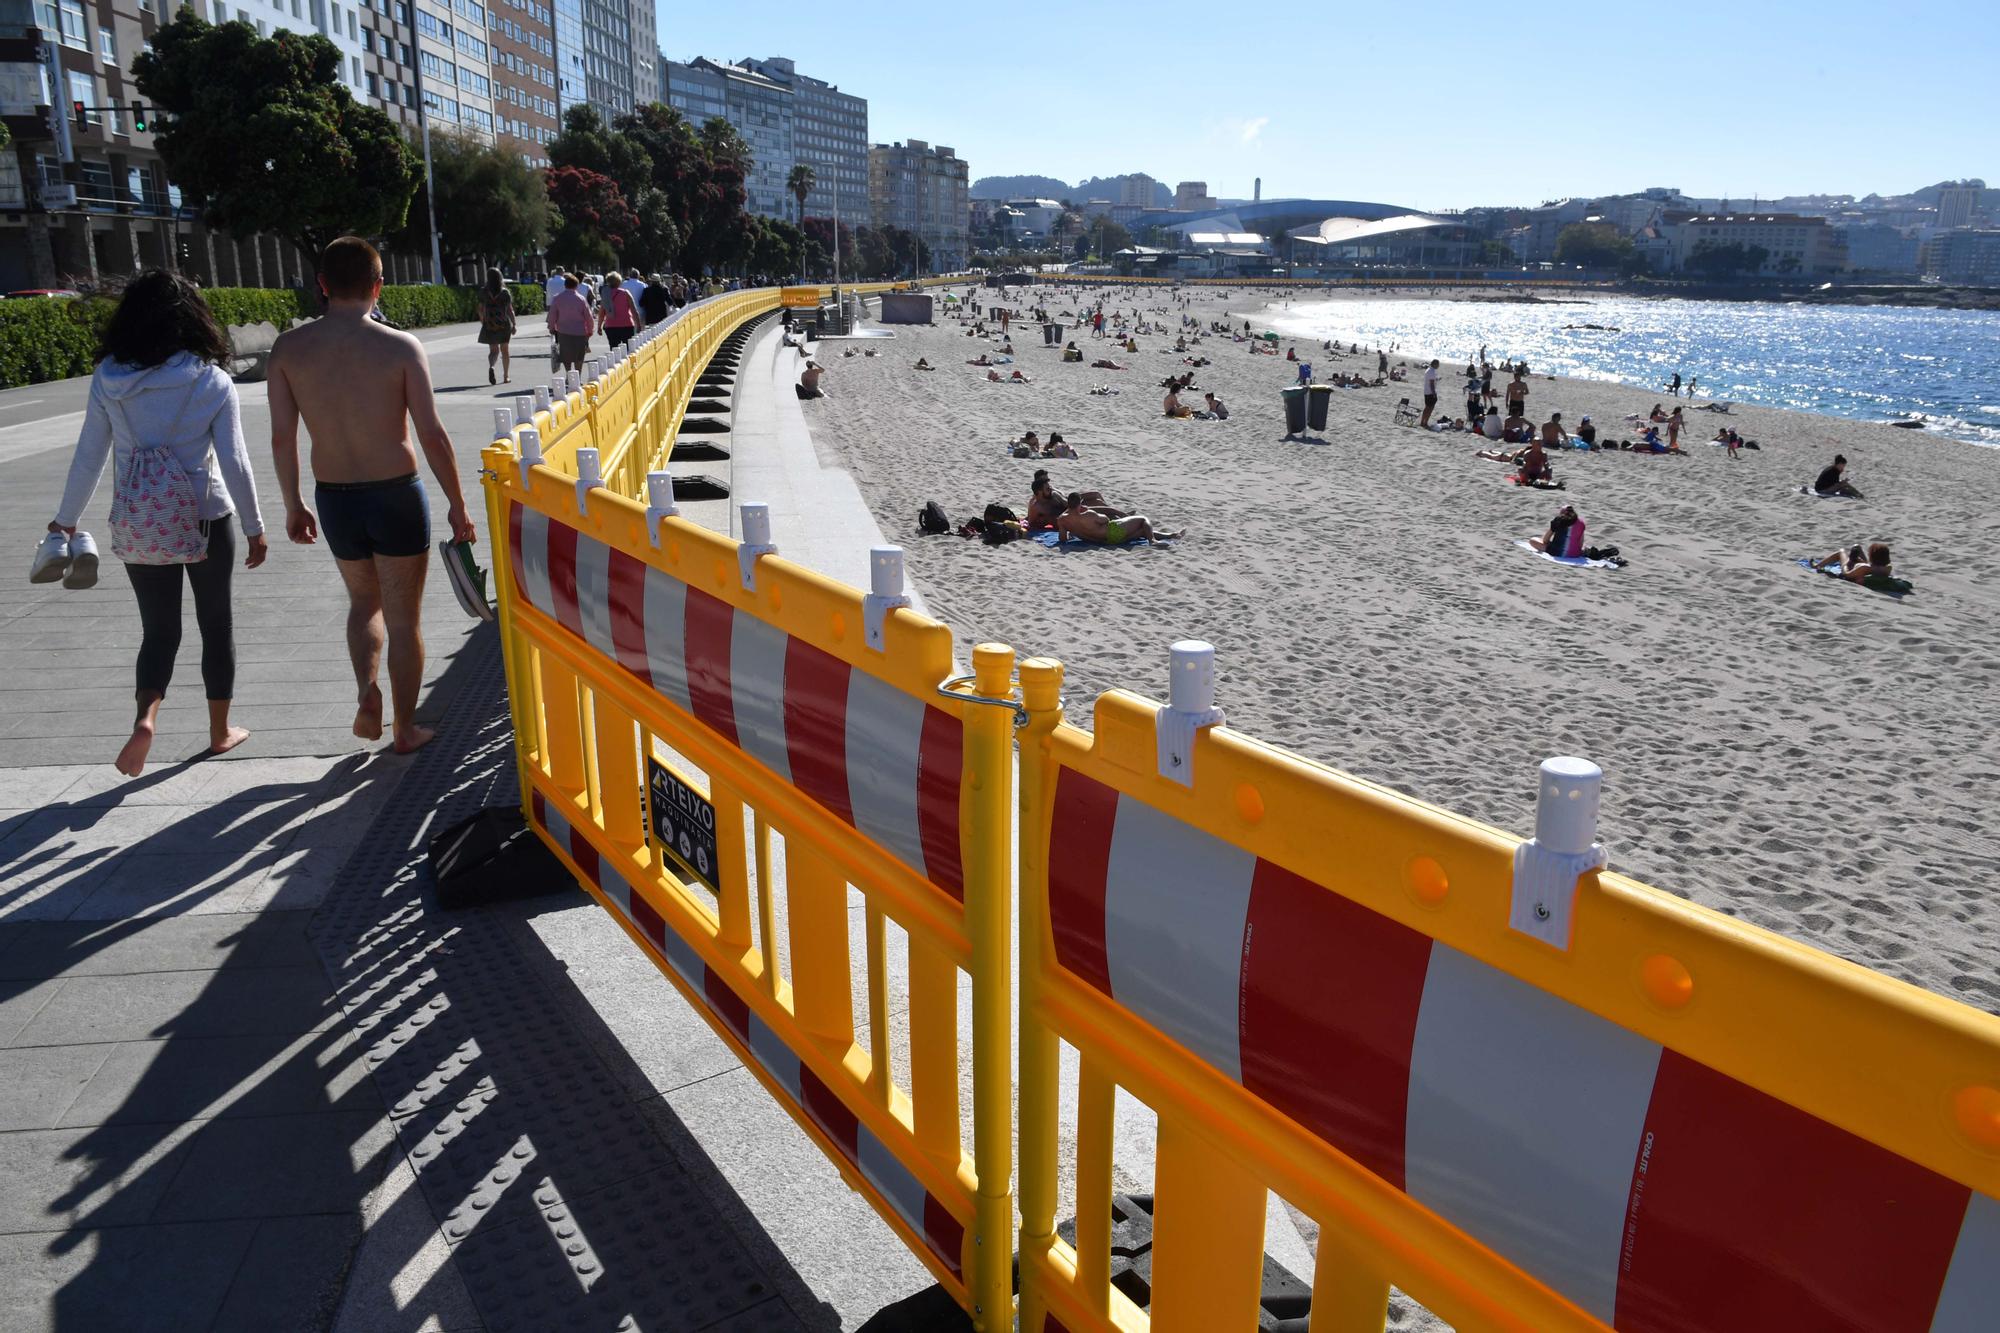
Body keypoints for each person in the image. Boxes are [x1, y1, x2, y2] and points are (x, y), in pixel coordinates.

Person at [47, 270, 269, 776]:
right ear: (193, 317)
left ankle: (145, 719)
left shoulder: (109, 378)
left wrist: (65, 520)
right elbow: (235, 460)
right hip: (206, 518)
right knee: (217, 626)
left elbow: (89, 455)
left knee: (158, 631)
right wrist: (256, 526)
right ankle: (219, 732)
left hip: (140, 521)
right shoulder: (211, 379)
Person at [267, 236, 475, 755]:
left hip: (335, 495)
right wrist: (457, 503)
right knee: (405, 619)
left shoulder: (289, 350)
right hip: (396, 494)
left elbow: (280, 436)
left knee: (364, 602)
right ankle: (405, 729)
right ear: (378, 286)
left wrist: (293, 503)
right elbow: (432, 433)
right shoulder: (400, 346)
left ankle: (366, 690)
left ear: (321, 285)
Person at [1056, 492, 1177, 545]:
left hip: (1101, 542)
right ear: (1080, 503)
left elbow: (1062, 539)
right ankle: (1153, 541)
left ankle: (1171, 535)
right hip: (1113, 533)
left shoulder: (1062, 520)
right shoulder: (1088, 514)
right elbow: (1106, 520)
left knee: (1141, 532)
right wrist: (1088, 510)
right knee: (1142, 519)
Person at [476, 268, 516, 385]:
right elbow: (509, 310)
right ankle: (505, 376)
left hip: (489, 324)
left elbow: (480, 309)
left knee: (493, 351)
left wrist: (483, 321)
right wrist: (514, 324)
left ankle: (492, 366)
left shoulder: (483, 292)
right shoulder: (505, 293)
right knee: (505, 351)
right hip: (503, 325)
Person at [547, 274, 592, 372]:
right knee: (579, 355)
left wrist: (551, 327)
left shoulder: (557, 298)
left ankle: (569, 373)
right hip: (580, 332)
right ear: (577, 286)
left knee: (566, 355)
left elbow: (552, 315)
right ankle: (577, 375)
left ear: (565, 285)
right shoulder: (581, 299)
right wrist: (590, 330)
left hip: (563, 331)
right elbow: (588, 317)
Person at [598, 269, 639, 349]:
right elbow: (634, 310)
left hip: (611, 326)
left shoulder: (606, 295)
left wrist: (599, 327)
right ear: (619, 282)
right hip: (627, 325)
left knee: (613, 348)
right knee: (628, 349)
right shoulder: (626, 293)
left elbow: (601, 313)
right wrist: (638, 325)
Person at [1420, 358, 1439, 427]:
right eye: (1438, 364)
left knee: (1427, 407)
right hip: (1430, 392)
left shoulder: (1428, 370)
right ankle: (1425, 422)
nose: (1438, 366)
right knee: (1429, 408)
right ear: (1435, 364)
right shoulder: (1432, 371)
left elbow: (1431, 381)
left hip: (1426, 391)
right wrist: (1434, 393)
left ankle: (1422, 422)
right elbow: (1431, 384)